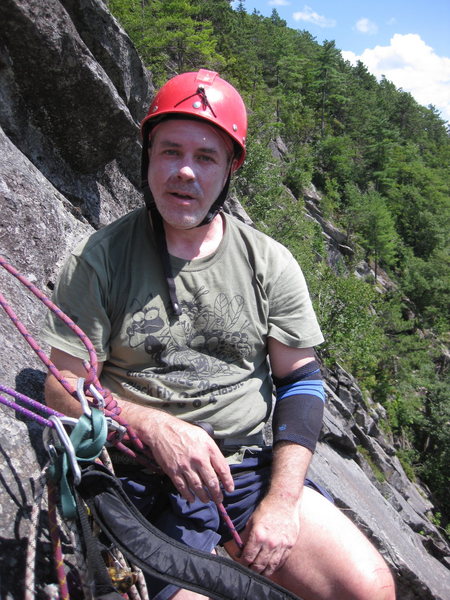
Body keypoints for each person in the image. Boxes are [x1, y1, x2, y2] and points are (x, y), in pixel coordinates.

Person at [43, 69, 396, 600]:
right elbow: (62, 385)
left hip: (248, 472)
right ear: (148, 157)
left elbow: (300, 382)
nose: (184, 172)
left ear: (231, 168)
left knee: (369, 588)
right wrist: (153, 426)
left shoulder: (269, 262)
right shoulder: (102, 259)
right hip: (144, 479)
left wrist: (280, 501)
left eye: (206, 157)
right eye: (170, 152)